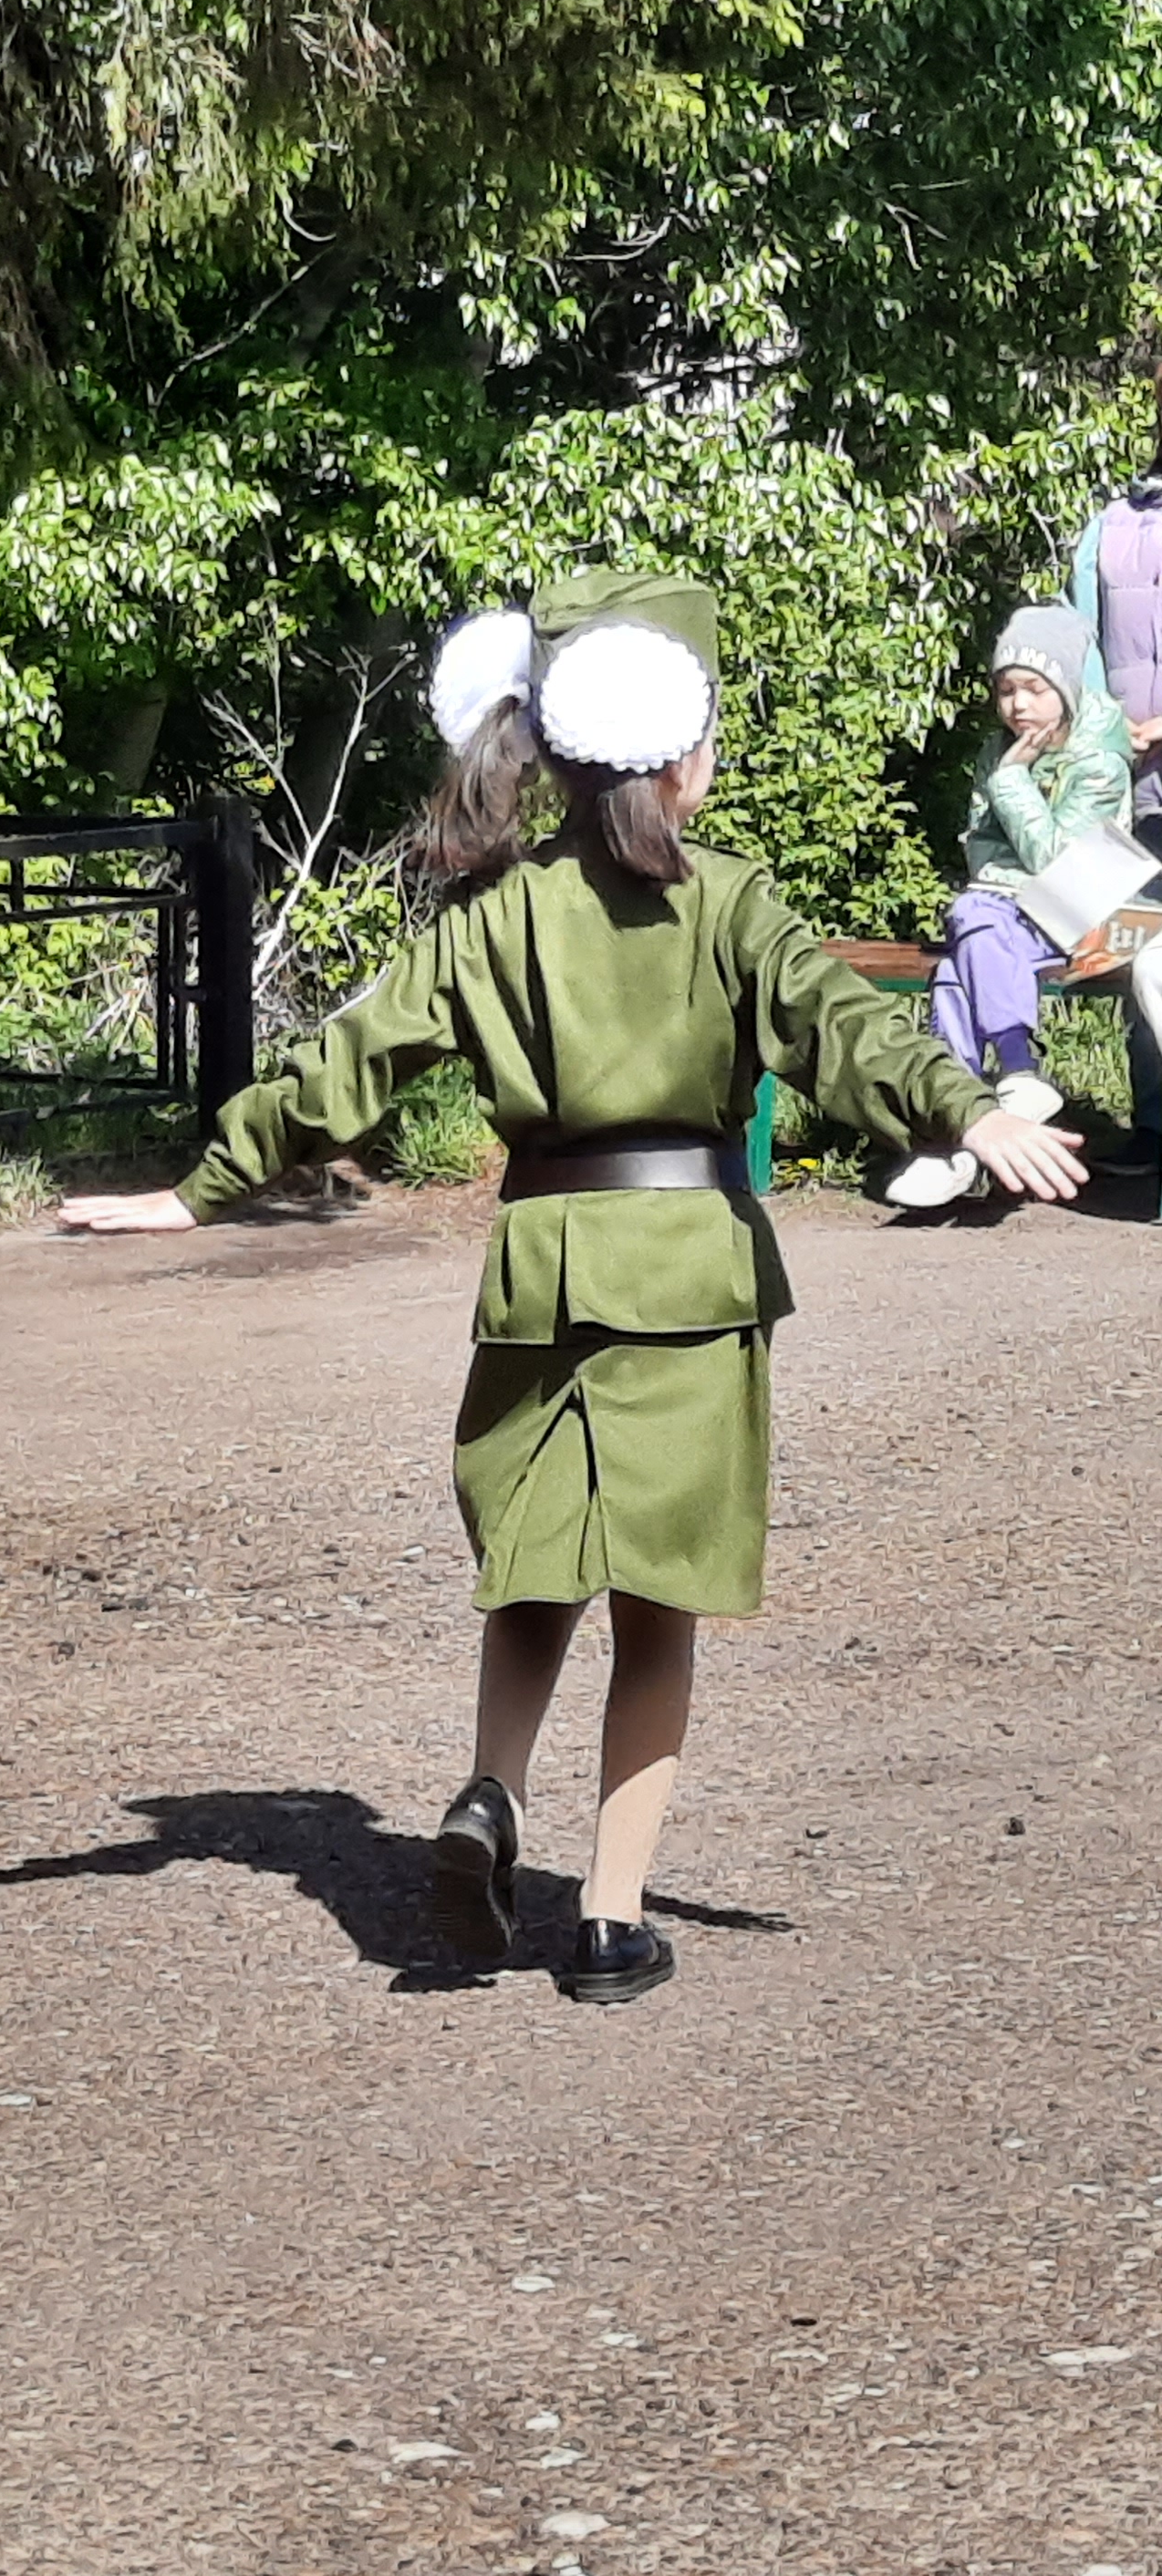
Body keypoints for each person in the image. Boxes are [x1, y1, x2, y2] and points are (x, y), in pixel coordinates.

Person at [58, 573, 1085, 2002]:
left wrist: (202, 1185)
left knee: (536, 1573)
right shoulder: (732, 901)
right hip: (690, 1278)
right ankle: (608, 1920)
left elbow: (353, 1057)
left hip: (541, 1273)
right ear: (685, 755)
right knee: (658, 1608)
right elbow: (847, 1031)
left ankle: (492, 1792)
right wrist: (967, 1110)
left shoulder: (498, 911)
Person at [884, 605, 1142, 1208]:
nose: (1018, 705)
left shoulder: (1099, 762)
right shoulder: (996, 749)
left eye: (1034, 688)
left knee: (972, 918)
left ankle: (960, 1132)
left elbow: (1057, 863)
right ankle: (993, 1101)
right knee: (955, 968)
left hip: (1081, 915)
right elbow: (980, 846)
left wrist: (1010, 783)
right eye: (1006, 690)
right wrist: (1006, 860)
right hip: (1006, 915)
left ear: (1067, 689)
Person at [1069, 464, 1162, 1170]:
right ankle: (1153, 1127)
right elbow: (1080, 641)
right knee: (1141, 951)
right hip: (1130, 791)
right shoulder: (1110, 525)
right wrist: (1105, 723)